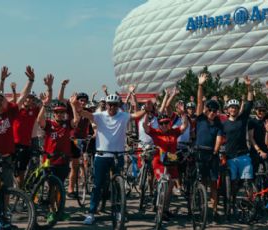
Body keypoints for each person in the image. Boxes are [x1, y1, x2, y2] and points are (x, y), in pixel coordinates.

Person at [79, 93, 144, 225]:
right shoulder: (100, 116)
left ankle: (119, 211)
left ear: (118, 105)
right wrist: (76, 106)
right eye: (110, 104)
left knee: (118, 186)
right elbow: (85, 114)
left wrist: (146, 109)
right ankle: (91, 213)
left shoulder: (123, 116)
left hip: (117, 155)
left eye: (114, 105)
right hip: (102, 156)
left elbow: (136, 115)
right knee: (97, 185)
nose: (112, 107)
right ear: (106, 105)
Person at [37, 92, 80, 224]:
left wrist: (73, 105)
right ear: (54, 114)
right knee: (52, 188)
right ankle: (51, 212)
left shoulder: (67, 124)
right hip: (50, 162)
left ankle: (59, 211)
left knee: (60, 187)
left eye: (62, 112)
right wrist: (44, 105)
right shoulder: (49, 124)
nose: (60, 114)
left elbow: (76, 121)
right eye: (57, 112)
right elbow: (40, 120)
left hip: (63, 160)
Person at [0, 66, 35, 190]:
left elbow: (23, 95)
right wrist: (1, 80)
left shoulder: (10, 112)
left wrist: (31, 81)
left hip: (7, 156)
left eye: (0, 101)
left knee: (7, 188)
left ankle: (5, 209)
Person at [143, 112, 188, 221]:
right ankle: (159, 208)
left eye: (166, 123)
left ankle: (166, 209)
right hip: (159, 161)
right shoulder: (155, 132)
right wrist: (146, 113)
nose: (164, 125)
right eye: (161, 123)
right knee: (164, 181)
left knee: (171, 186)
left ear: (170, 123)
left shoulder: (174, 132)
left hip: (172, 160)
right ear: (159, 124)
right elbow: (145, 127)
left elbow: (184, 126)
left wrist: (183, 114)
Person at [195, 73, 223, 219]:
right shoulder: (200, 119)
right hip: (200, 153)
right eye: (210, 110)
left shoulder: (218, 124)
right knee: (202, 182)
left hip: (212, 155)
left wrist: (216, 150)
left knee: (213, 183)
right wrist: (200, 85)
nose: (212, 113)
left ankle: (214, 210)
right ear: (207, 110)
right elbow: (199, 102)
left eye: (214, 111)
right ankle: (202, 207)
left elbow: (219, 138)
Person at [222, 75, 254, 205]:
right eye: (231, 107)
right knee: (233, 183)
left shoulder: (242, 119)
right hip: (230, 157)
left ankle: (249, 203)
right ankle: (232, 201)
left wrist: (249, 87)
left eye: (235, 107)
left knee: (248, 181)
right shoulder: (223, 124)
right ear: (228, 110)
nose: (233, 109)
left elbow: (249, 103)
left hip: (243, 156)